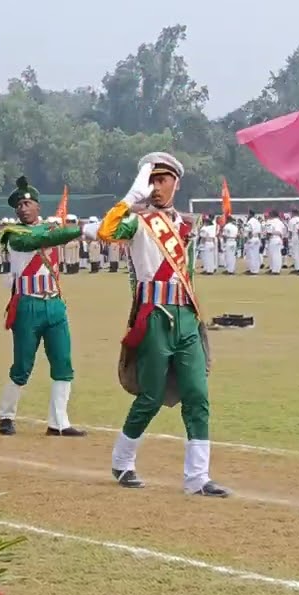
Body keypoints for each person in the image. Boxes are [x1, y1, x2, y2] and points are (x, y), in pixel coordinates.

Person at [89, 153, 228, 496]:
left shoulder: (185, 225)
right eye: (151, 180)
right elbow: (107, 231)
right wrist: (130, 198)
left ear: (176, 183)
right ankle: (122, 461)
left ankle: (197, 478)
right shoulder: (138, 223)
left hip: (185, 316)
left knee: (198, 395)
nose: (156, 187)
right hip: (154, 317)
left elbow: (189, 275)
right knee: (150, 397)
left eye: (162, 180)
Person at [0, 177, 86, 438]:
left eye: (28, 203)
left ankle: (59, 421)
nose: (23, 208)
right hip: (27, 304)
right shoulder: (13, 234)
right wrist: (81, 230)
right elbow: (32, 242)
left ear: (37, 206)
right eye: (19, 205)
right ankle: (6, 414)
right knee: (22, 364)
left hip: (54, 303)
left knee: (63, 362)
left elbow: (50, 237)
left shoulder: (50, 231)